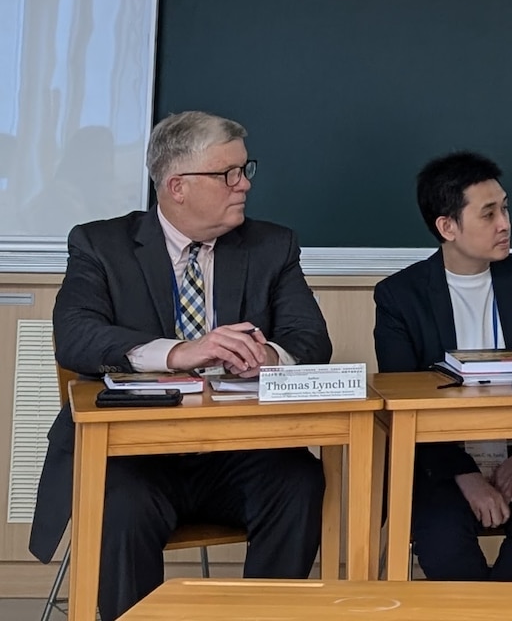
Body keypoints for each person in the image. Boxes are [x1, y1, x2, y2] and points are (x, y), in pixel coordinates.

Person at [31, 111, 331, 619]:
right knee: (116, 502)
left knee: (299, 479)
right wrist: (177, 352)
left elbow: (310, 340)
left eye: (245, 169)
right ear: (177, 186)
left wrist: (265, 356)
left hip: (235, 449)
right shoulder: (100, 245)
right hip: (134, 454)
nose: (244, 185)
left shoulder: (271, 245)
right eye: (228, 174)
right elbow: (76, 337)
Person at [373, 151, 512, 581]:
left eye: (505, 208)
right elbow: (401, 401)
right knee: (441, 533)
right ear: (447, 226)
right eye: (488, 213)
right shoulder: (400, 296)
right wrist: (467, 476)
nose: (505, 223)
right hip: (441, 463)